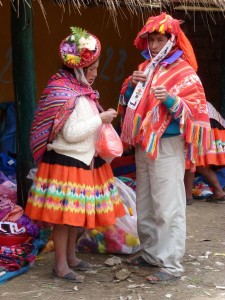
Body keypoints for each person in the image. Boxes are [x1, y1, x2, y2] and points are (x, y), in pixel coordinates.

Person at [25, 27, 126, 282]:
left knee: (73, 218)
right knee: (63, 220)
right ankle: (60, 266)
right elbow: (70, 133)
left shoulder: (78, 90)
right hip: (65, 163)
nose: (94, 73)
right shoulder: (65, 92)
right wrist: (100, 119)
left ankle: (70, 258)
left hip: (81, 162)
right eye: (91, 69)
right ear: (78, 68)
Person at [117, 13, 211, 283]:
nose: (155, 46)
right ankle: (149, 253)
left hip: (168, 144)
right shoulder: (146, 67)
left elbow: (196, 111)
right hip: (144, 143)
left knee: (168, 204)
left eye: (160, 40)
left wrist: (170, 100)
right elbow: (131, 102)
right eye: (151, 40)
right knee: (145, 200)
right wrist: (129, 87)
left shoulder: (184, 72)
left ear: (171, 40)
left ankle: (170, 264)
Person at [185, 101, 225, 205]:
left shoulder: (188, 98)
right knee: (198, 163)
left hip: (204, 127)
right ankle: (218, 192)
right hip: (215, 128)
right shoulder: (200, 99)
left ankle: (187, 196)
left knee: (191, 161)